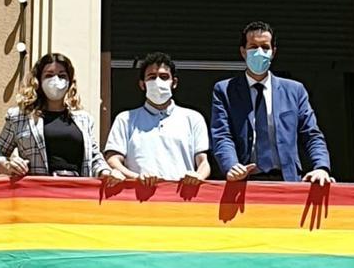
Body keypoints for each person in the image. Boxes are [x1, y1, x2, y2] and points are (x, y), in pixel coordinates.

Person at [210, 21, 332, 184]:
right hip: (244, 182)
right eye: (253, 47)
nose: (259, 52)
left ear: (273, 52)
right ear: (243, 52)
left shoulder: (294, 90)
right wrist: (231, 165)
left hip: (287, 181)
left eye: (265, 47)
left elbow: (311, 134)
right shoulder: (225, 90)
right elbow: (222, 135)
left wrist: (321, 167)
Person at [0, 53, 121, 183]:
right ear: (38, 80)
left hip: (76, 194)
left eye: (62, 75)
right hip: (37, 194)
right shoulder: (18, 117)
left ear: (70, 82)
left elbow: (94, 158)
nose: (56, 80)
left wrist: (107, 172)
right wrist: (7, 166)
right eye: (49, 75)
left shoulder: (84, 119)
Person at [104, 52, 210, 186]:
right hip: (138, 199)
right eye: (152, 77)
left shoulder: (194, 118)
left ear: (174, 82)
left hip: (181, 200)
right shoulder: (125, 119)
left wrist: (198, 175)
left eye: (164, 77)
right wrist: (137, 177)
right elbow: (113, 159)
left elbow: (203, 162)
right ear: (142, 84)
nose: (158, 82)